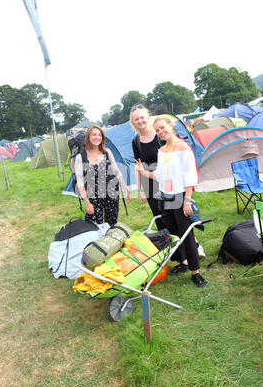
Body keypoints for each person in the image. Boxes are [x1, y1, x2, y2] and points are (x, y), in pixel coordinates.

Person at [136, 115, 209, 287]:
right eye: (158, 130)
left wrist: (187, 201)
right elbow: (159, 175)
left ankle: (196, 272)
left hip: (180, 196)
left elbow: (190, 176)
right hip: (165, 196)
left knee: (186, 234)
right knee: (173, 233)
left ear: (171, 125)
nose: (161, 132)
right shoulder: (162, 151)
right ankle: (183, 262)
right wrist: (143, 171)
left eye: (163, 128)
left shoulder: (183, 148)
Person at [75, 124, 131, 226]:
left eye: (99, 135)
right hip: (93, 197)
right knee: (94, 225)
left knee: (112, 223)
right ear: (88, 137)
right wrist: (87, 202)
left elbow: (116, 171)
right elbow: (80, 182)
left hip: (111, 193)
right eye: (94, 135)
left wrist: (125, 188)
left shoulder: (107, 152)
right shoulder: (80, 157)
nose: (97, 137)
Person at [130, 104, 165, 231]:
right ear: (133, 122)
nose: (140, 121)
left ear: (148, 117)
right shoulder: (136, 141)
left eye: (142, 117)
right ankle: (167, 242)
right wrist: (139, 190)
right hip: (149, 183)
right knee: (159, 216)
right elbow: (138, 166)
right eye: (136, 119)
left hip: (166, 179)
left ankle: (187, 243)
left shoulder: (160, 134)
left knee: (173, 212)